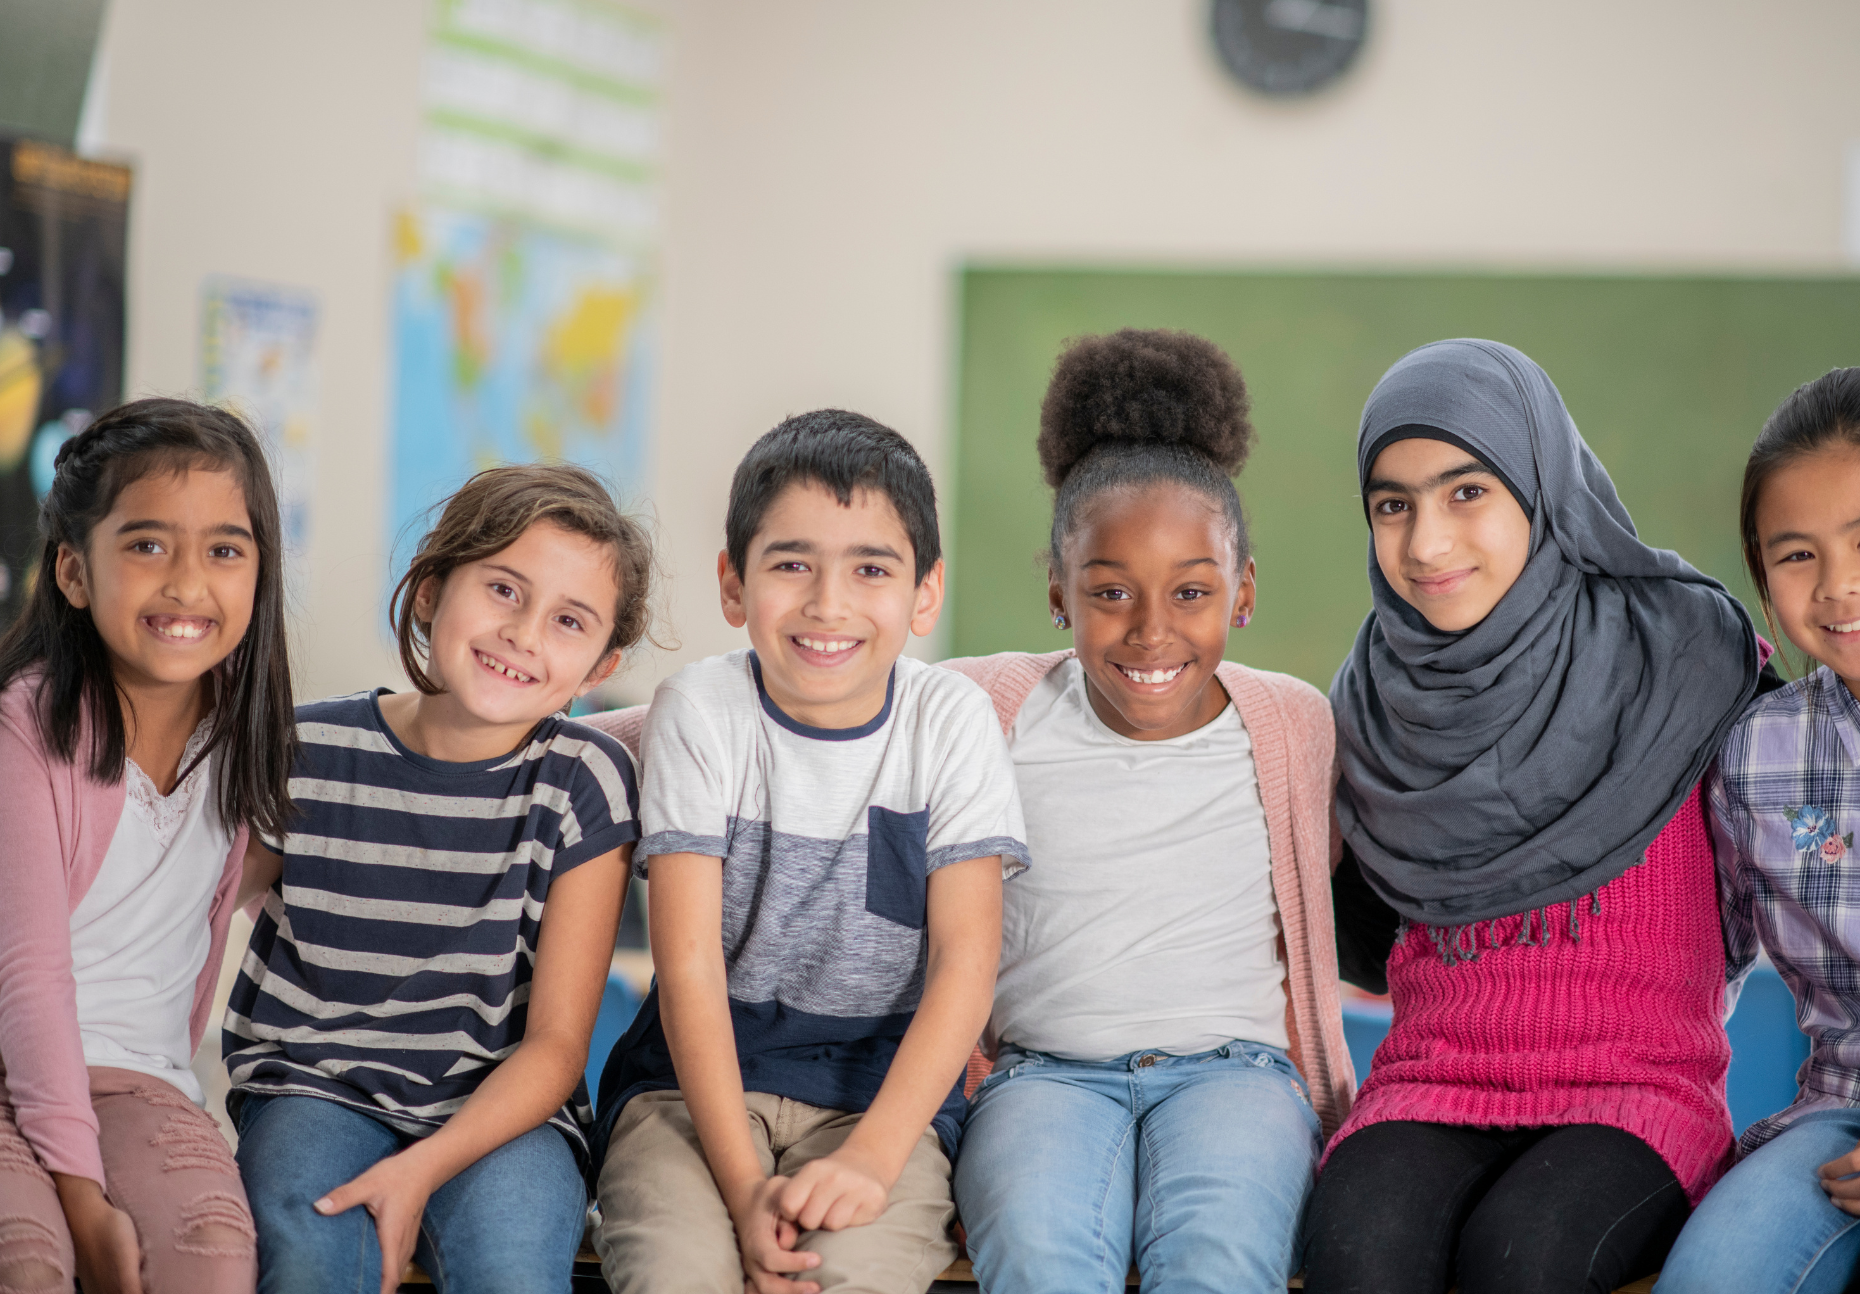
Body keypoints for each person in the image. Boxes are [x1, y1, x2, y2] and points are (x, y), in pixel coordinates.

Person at [1306, 339, 1769, 1294]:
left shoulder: (1692, 657)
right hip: (1432, 1080)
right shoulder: (1367, 710)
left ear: (1541, 483)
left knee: (1525, 1258)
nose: (1426, 543)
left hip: (1636, 1092)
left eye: (1465, 492)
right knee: (1353, 1248)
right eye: (1392, 504)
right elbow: (1361, 942)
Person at [943, 328, 1356, 1294]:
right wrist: (535, 718)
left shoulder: (1294, 725)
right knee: (1040, 1257)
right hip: (1041, 1075)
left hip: (1236, 1076)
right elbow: (789, 704)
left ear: (1241, 592)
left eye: (1192, 592)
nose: (1151, 630)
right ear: (1057, 591)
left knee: (1216, 1261)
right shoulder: (986, 709)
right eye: (1110, 592)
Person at [589, 410, 1028, 1294]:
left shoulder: (949, 721)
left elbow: (964, 965)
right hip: (689, 1092)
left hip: (881, 1102)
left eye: (871, 568)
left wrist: (870, 1160)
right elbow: (688, 971)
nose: (828, 603)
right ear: (732, 583)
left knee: (847, 1277)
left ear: (925, 591)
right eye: (791, 564)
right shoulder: (700, 712)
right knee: (676, 1273)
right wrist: (747, 1188)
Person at [224, 464, 652, 1294]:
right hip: (312, 1090)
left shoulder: (585, 778)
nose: (525, 634)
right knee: (309, 1265)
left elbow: (559, 1046)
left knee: (513, 1272)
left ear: (602, 663)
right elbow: (189, 921)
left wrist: (422, 1169)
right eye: (502, 589)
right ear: (428, 591)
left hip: (509, 1113)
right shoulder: (306, 753)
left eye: (569, 620)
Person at [1656, 367, 1860, 1294]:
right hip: (1842, 1119)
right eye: (1794, 554)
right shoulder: (1756, 752)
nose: (1839, 585)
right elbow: (1696, 967)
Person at [0, 399, 294, 1294]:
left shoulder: (252, 741)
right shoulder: (25, 730)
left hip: (142, 1082)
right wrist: (83, 1200)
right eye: (147, 544)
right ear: (74, 573)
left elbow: (429, 753)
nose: (187, 584)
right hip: (11, 1066)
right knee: (31, 1263)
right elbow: (31, 979)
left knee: (211, 1258)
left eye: (224, 550)